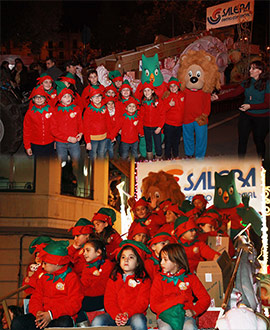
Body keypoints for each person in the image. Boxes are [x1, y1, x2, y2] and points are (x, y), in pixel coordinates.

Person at [11, 241, 83, 330]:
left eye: (45, 263)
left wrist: (51, 314)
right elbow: (36, 298)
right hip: (43, 315)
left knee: (64, 322)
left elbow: (74, 304)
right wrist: (38, 313)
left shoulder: (71, 278)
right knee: (18, 322)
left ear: (56, 263)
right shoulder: (44, 278)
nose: (42, 266)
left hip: (60, 316)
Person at [212, 60, 270, 160]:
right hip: (246, 115)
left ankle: (262, 161)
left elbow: (267, 104)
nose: (250, 70)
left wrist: (251, 106)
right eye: (250, 68)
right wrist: (218, 97)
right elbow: (234, 93)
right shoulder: (247, 82)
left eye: (253, 68)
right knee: (242, 139)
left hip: (262, 117)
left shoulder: (267, 84)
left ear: (260, 71)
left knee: (259, 140)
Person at [91, 240, 151, 330]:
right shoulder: (113, 278)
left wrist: (127, 314)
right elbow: (109, 300)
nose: (126, 260)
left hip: (133, 315)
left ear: (138, 262)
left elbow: (142, 303)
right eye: (123, 257)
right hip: (115, 315)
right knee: (97, 321)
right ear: (119, 261)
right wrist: (117, 315)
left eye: (131, 257)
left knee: (138, 321)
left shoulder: (144, 280)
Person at [150, 243, 211, 330]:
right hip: (165, 315)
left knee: (190, 327)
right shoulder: (159, 279)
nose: (161, 263)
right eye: (161, 259)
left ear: (176, 261)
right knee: (165, 328)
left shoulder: (190, 278)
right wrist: (177, 302)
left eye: (165, 260)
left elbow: (205, 298)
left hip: (185, 315)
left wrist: (194, 311)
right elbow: (154, 304)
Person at [76, 239, 114, 326]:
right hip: (88, 296)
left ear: (98, 252)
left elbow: (102, 285)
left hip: (102, 297)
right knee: (73, 301)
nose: (84, 253)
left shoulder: (107, 264)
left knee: (77, 303)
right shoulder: (87, 266)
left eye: (88, 250)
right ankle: (83, 324)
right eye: (84, 251)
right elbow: (84, 284)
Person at [50, 82, 83, 164]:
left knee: (76, 161)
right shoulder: (55, 111)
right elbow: (53, 130)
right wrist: (67, 138)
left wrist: (81, 133)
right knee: (62, 163)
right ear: (60, 99)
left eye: (69, 96)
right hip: (60, 143)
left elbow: (80, 123)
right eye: (64, 96)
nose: (68, 98)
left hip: (74, 141)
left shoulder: (76, 109)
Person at [23, 85, 55, 157]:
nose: (39, 99)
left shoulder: (51, 110)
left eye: (42, 97)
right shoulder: (30, 113)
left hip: (50, 142)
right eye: (36, 97)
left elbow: (55, 126)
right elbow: (26, 130)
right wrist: (27, 146)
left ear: (45, 98)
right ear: (33, 99)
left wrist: (56, 140)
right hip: (36, 144)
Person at [83, 87, 112, 159]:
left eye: (99, 96)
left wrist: (110, 134)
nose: (97, 98)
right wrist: (87, 141)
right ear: (90, 99)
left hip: (103, 136)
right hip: (93, 138)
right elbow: (85, 126)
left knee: (101, 154)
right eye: (94, 97)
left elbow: (108, 121)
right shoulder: (88, 110)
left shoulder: (104, 108)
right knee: (93, 155)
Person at [140, 82, 165, 160]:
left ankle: (158, 157)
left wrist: (160, 127)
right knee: (148, 144)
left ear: (152, 91)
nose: (146, 92)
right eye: (145, 91)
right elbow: (141, 116)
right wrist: (141, 129)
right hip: (146, 127)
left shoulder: (158, 101)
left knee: (158, 144)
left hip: (156, 127)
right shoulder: (143, 102)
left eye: (148, 90)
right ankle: (149, 158)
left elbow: (162, 115)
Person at [163, 77, 185, 159]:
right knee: (168, 142)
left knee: (176, 142)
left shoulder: (182, 95)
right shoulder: (167, 96)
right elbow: (162, 110)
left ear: (178, 86)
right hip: (169, 124)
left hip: (179, 124)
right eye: (171, 86)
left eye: (174, 86)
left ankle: (176, 155)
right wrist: (169, 105)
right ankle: (167, 156)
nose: (173, 88)